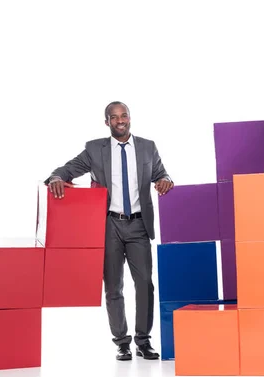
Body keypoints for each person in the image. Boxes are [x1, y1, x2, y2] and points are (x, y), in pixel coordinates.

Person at [45, 101, 174, 361]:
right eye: (113, 117)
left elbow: (162, 173)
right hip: (108, 225)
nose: (120, 120)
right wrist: (56, 178)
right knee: (113, 286)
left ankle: (143, 340)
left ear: (130, 118)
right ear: (107, 122)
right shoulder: (95, 149)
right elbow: (66, 170)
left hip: (139, 224)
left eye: (123, 115)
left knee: (145, 285)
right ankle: (122, 342)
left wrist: (165, 180)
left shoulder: (148, 147)